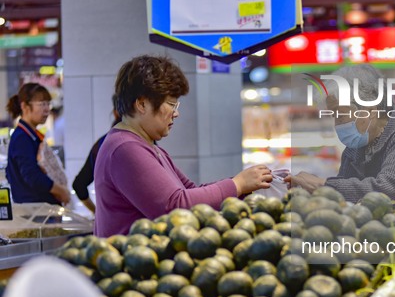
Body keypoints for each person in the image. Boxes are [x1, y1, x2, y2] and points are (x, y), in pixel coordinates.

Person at [94, 55, 273, 237]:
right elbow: (175, 206)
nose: (176, 113)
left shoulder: (147, 146)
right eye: (171, 104)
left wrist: (247, 185)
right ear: (142, 104)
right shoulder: (125, 149)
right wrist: (237, 184)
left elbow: (190, 191)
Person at [286, 64, 395, 209]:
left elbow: (387, 192)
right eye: (334, 115)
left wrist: (323, 185)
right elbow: (344, 199)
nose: (337, 123)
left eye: (340, 114)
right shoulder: (355, 149)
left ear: (370, 110)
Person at [5, 83, 71, 205]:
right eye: (41, 104)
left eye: (48, 103)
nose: (47, 109)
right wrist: (61, 191)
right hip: (36, 214)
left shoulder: (31, 135)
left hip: (40, 212)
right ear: (24, 106)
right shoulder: (22, 138)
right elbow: (32, 176)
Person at [72, 95, 121, 214]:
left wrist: (97, 213)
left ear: (115, 113)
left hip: (111, 223)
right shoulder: (145, 143)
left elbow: (79, 185)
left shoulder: (101, 144)